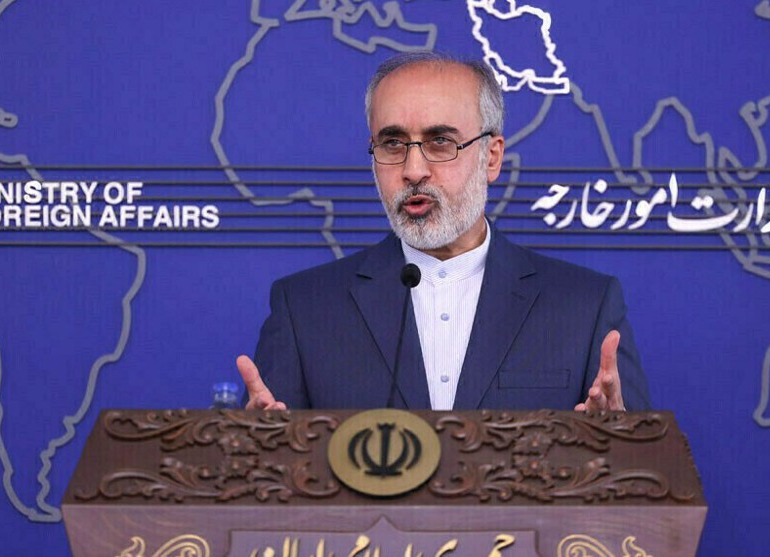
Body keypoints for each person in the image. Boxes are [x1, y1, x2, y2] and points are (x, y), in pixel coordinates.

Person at [237, 51, 650, 412]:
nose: (413, 170)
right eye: (393, 144)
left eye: (440, 142)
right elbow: (264, 475)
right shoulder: (304, 309)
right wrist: (253, 452)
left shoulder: (584, 307)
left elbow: (644, 480)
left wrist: (620, 440)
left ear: (491, 157)